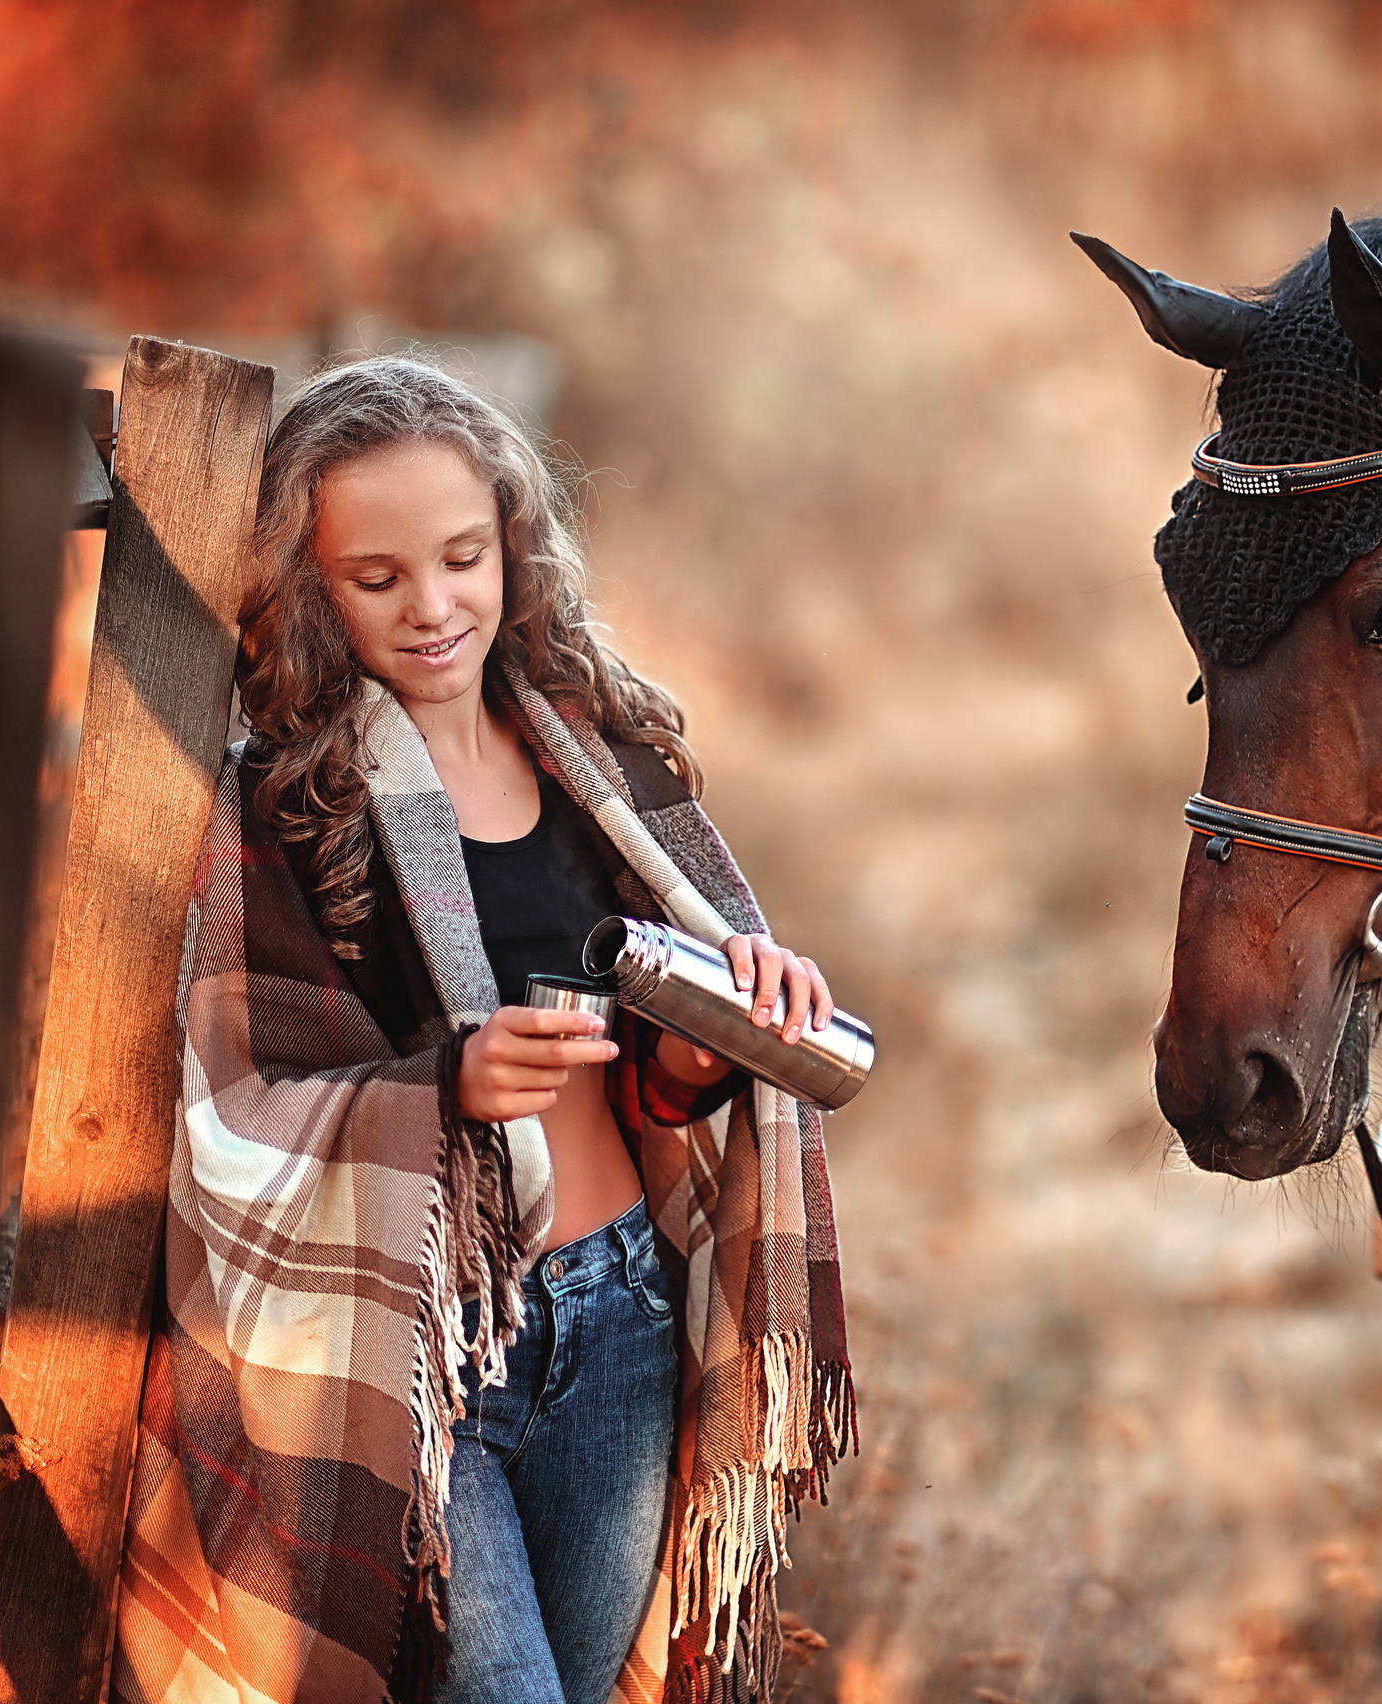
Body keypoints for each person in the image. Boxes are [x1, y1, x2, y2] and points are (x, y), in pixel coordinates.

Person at [114, 357, 856, 1704]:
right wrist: (444, 1084)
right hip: (422, 1348)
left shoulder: (603, 763)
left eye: (463, 557)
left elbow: (652, 1083)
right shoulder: (283, 806)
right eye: (376, 576)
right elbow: (235, 1109)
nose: (435, 605)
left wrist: (697, 1057)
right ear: (308, 586)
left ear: (512, 542)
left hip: (620, 1317)